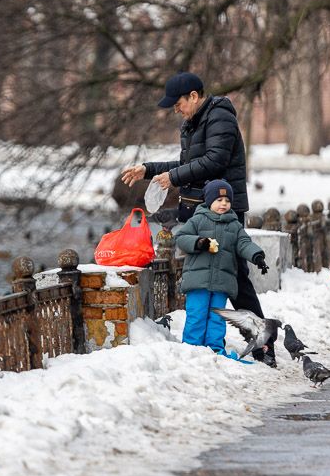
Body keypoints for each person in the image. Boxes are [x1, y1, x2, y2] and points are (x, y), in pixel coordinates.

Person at [118, 71, 276, 366]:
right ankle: (244, 341)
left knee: (237, 278)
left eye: (178, 103)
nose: (175, 110)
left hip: (224, 208)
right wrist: (149, 169)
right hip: (202, 208)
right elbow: (189, 163)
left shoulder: (220, 117)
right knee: (221, 274)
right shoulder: (193, 123)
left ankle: (263, 343)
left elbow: (214, 160)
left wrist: (173, 177)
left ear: (194, 96)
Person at [173, 180, 269, 357]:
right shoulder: (197, 220)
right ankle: (191, 347)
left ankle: (214, 347)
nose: (223, 204)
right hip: (198, 281)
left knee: (217, 318)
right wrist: (199, 242)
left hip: (222, 282)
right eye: (219, 200)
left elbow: (244, 243)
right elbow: (181, 238)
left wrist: (257, 256)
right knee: (197, 315)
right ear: (209, 201)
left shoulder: (234, 225)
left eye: (227, 200)